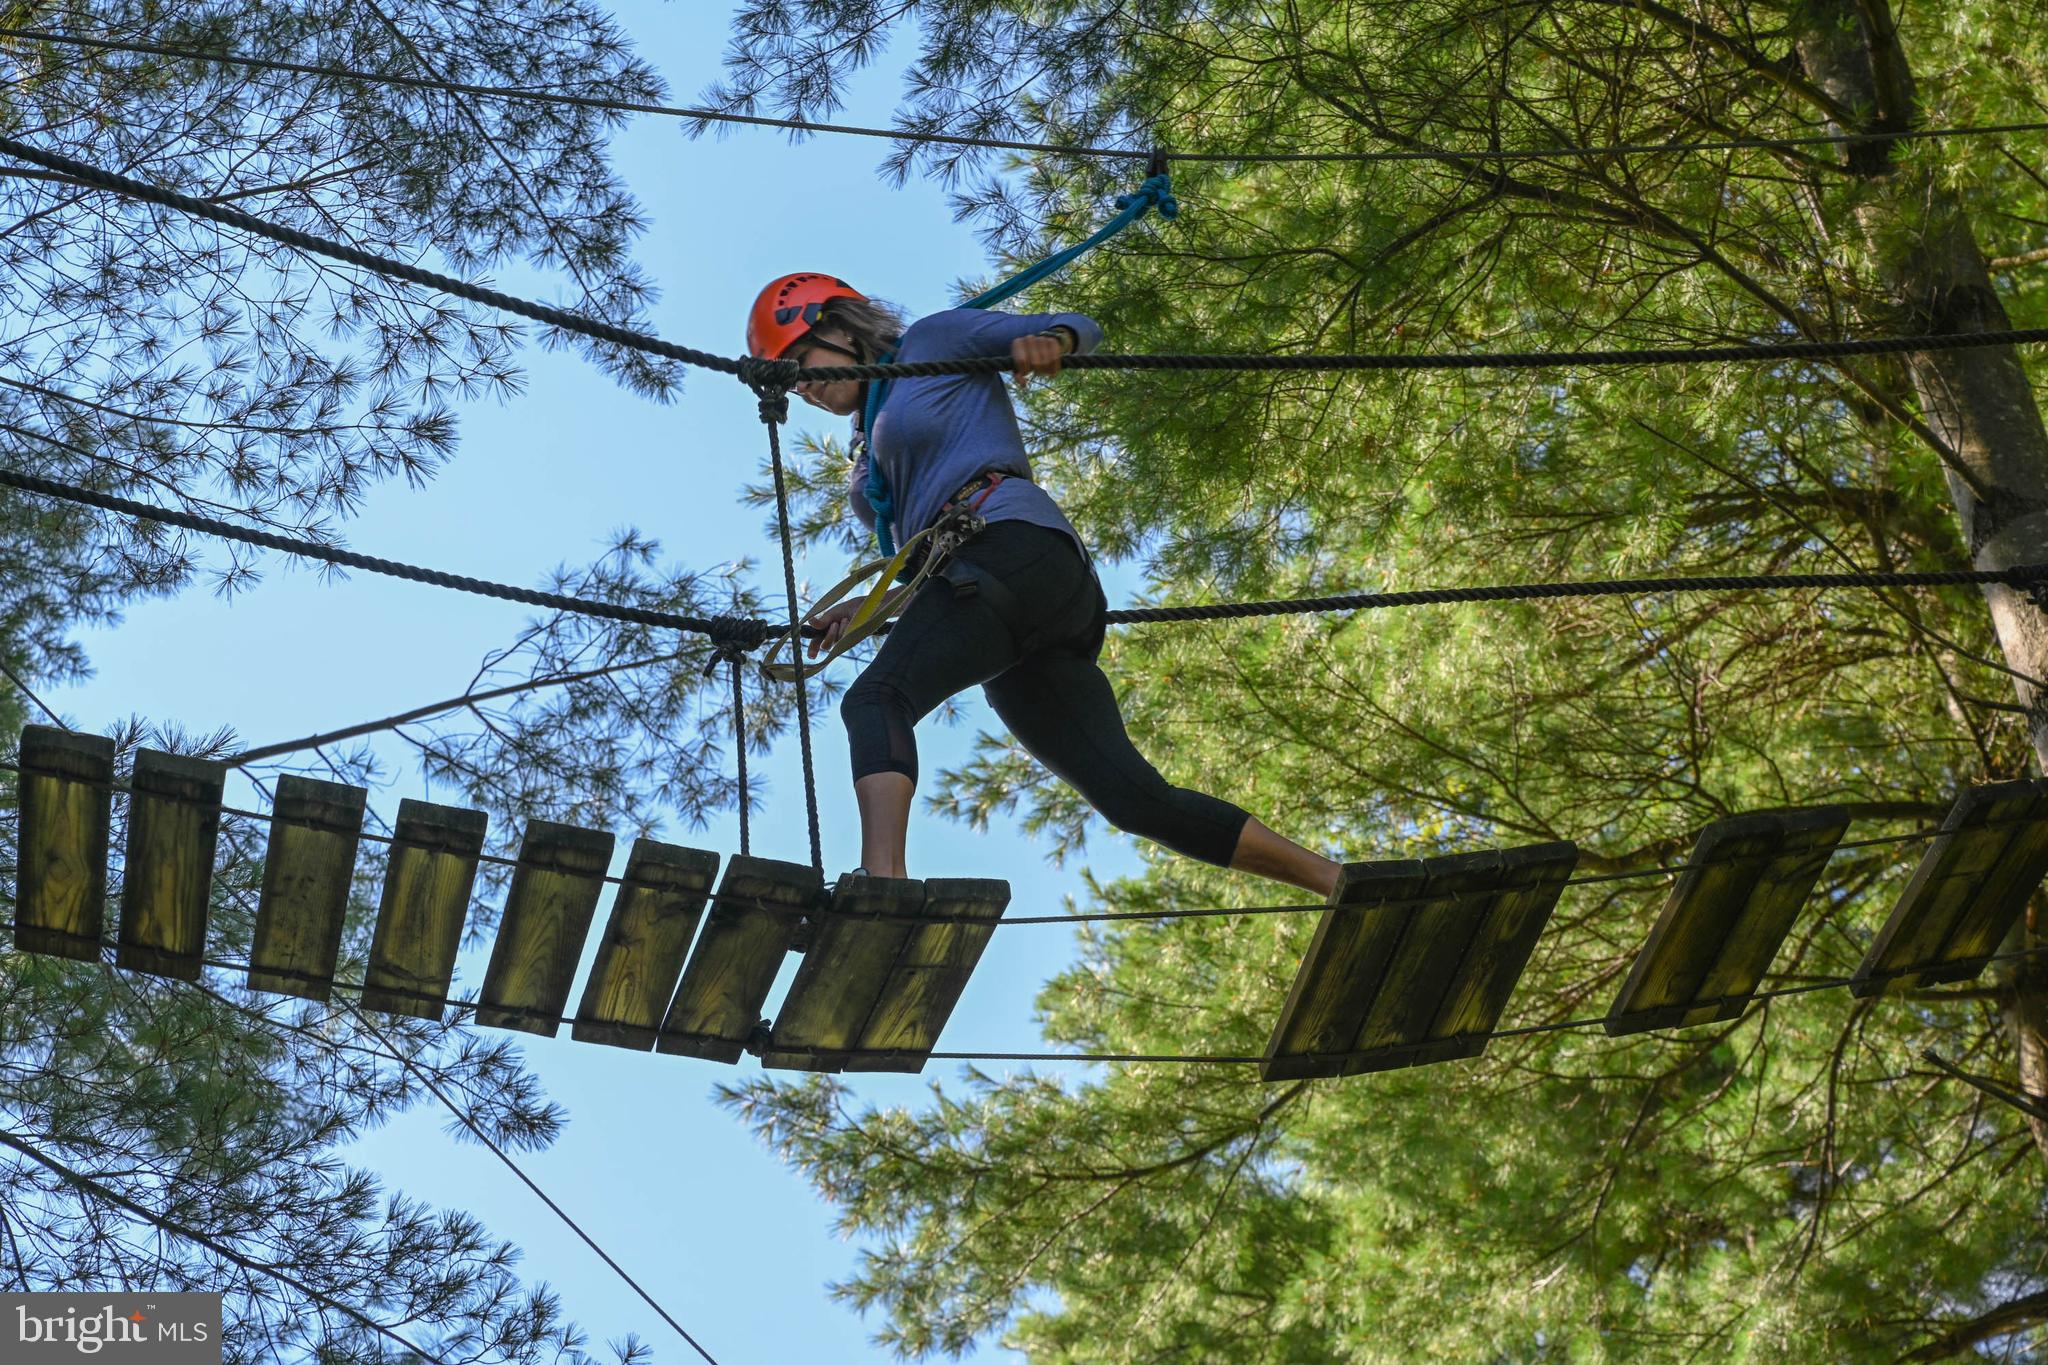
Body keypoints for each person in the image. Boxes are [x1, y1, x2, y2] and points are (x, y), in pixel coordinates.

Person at [746, 272, 1340, 896]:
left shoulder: (930, 343)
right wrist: (867, 609)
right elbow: (933, 565)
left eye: (801, 360)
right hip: (1009, 599)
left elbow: (1083, 327)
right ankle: (1336, 881)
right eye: (788, 378)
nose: (802, 385)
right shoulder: (867, 448)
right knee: (1132, 799)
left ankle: (882, 886)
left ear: (840, 327)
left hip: (1013, 550)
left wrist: (1049, 340)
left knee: (875, 700)